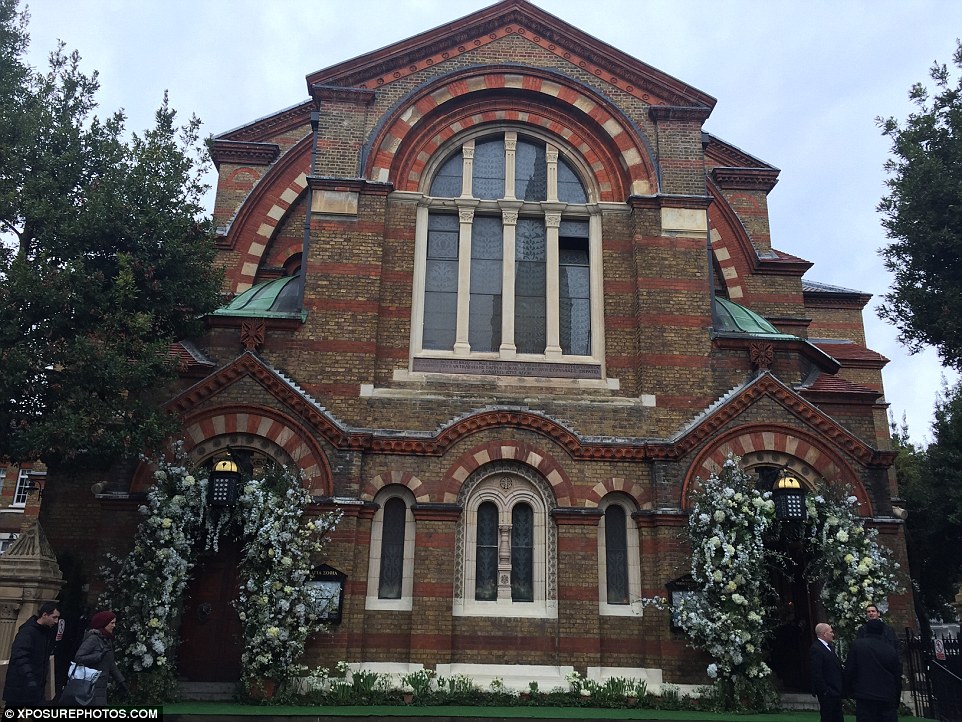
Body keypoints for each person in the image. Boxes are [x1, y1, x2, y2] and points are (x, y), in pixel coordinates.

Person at [2, 601, 61, 708]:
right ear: (44, 615)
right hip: (21, 684)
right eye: (54, 617)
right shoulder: (28, 631)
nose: (56, 621)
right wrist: (30, 677)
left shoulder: (45, 632)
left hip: (34, 686)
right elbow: (19, 655)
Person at [845, 617, 902, 722]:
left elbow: (850, 670)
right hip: (887, 697)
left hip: (865, 697)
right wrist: (896, 698)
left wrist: (848, 690)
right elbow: (897, 676)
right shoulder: (890, 650)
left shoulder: (857, 646)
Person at [71, 610, 128, 706]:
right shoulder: (93, 639)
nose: (114, 626)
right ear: (104, 623)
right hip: (90, 686)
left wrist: (121, 681)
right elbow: (79, 658)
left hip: (102, 686)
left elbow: (111, 664)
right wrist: (98, 656)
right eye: (112, 623)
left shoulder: (107, 640)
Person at [810, 622, 845, 722]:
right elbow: (817, 672)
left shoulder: (829, 647)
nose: (833, 634)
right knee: (828, 717)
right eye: (831, 632)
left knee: (837, 716)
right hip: (828, 692)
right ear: (825, 634)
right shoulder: (816, 649)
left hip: (835, 690)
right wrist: (825, 690)